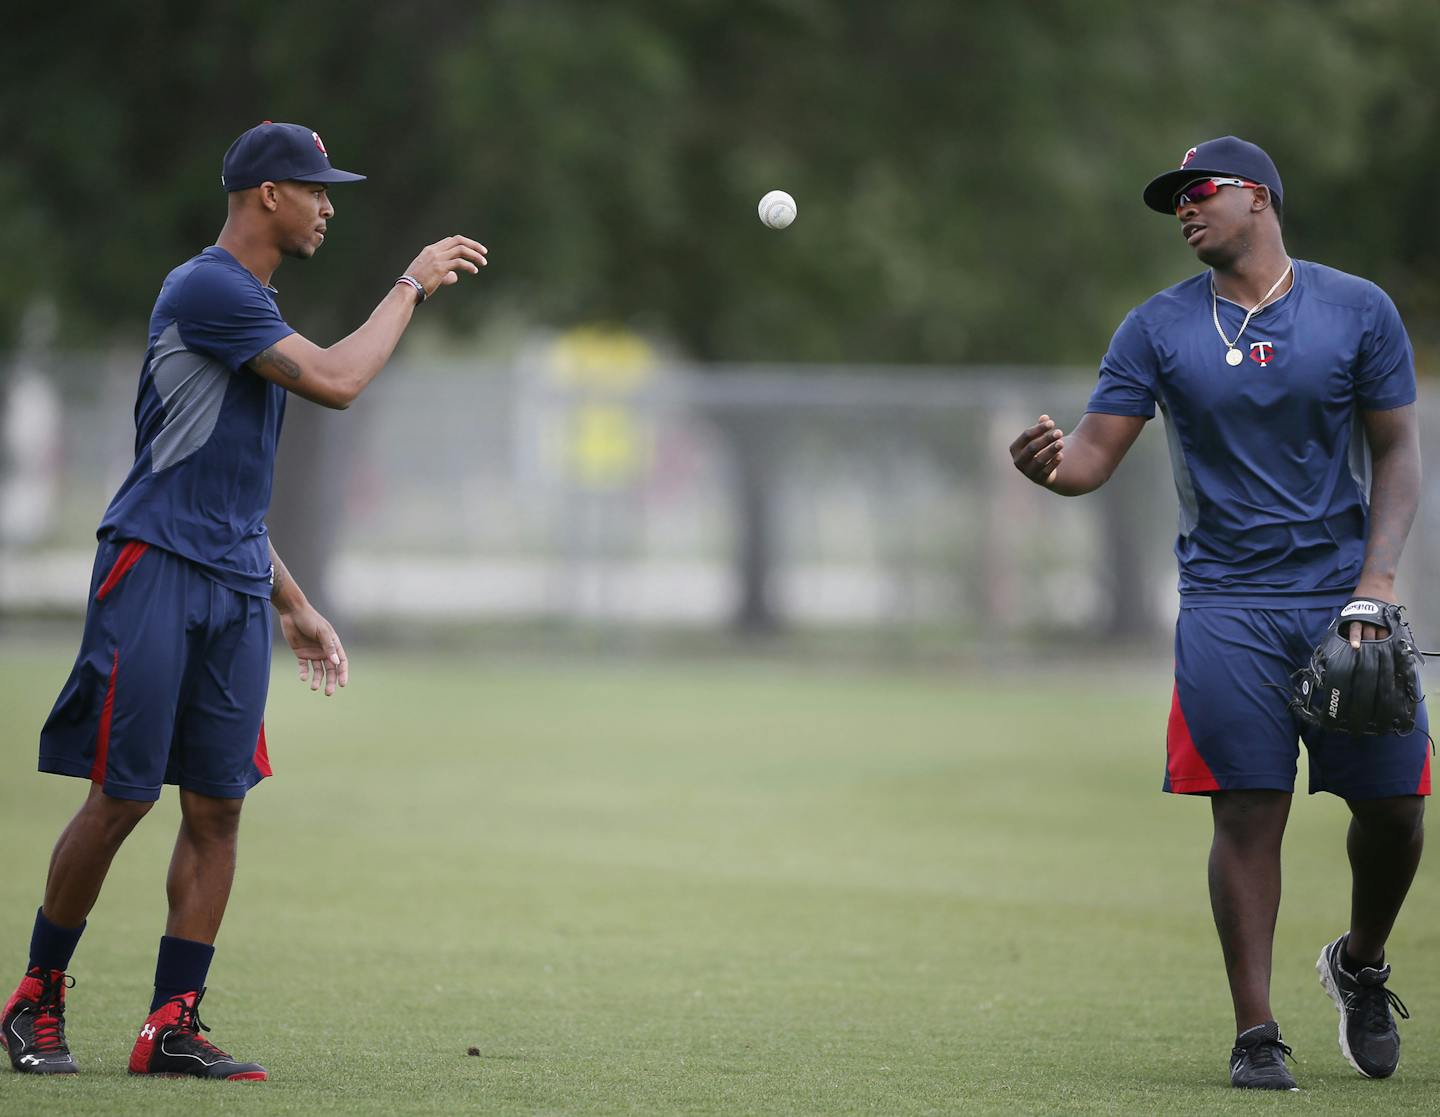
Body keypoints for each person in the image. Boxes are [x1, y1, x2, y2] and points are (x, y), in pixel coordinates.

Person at [1, 121, 487, 1080]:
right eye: (316, 189)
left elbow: (229, 497)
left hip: (230, 580)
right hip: (152, 568)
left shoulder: (255, 306)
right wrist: (412, 281)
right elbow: (343, 382)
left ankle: (171, 1025)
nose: (329, 205)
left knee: (218, 809)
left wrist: (294, 602)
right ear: (270, 194)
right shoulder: (210, 288)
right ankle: (33, 1000)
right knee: (123, 797)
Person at [1009, 136, 1427, 1091]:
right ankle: (1257, 1031)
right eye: (1175, 202)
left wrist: (1379, 581)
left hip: (1341, 597)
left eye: (1201, 192)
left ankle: (1359, 964)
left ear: (1261, 198)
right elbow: (1088, 460)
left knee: (1397, 809)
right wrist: (1048, 468)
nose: (1185, 209)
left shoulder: (1356, 309)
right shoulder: (1157, 327)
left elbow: (1399, 453)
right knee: (1246, 808)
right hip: (1226, 603)